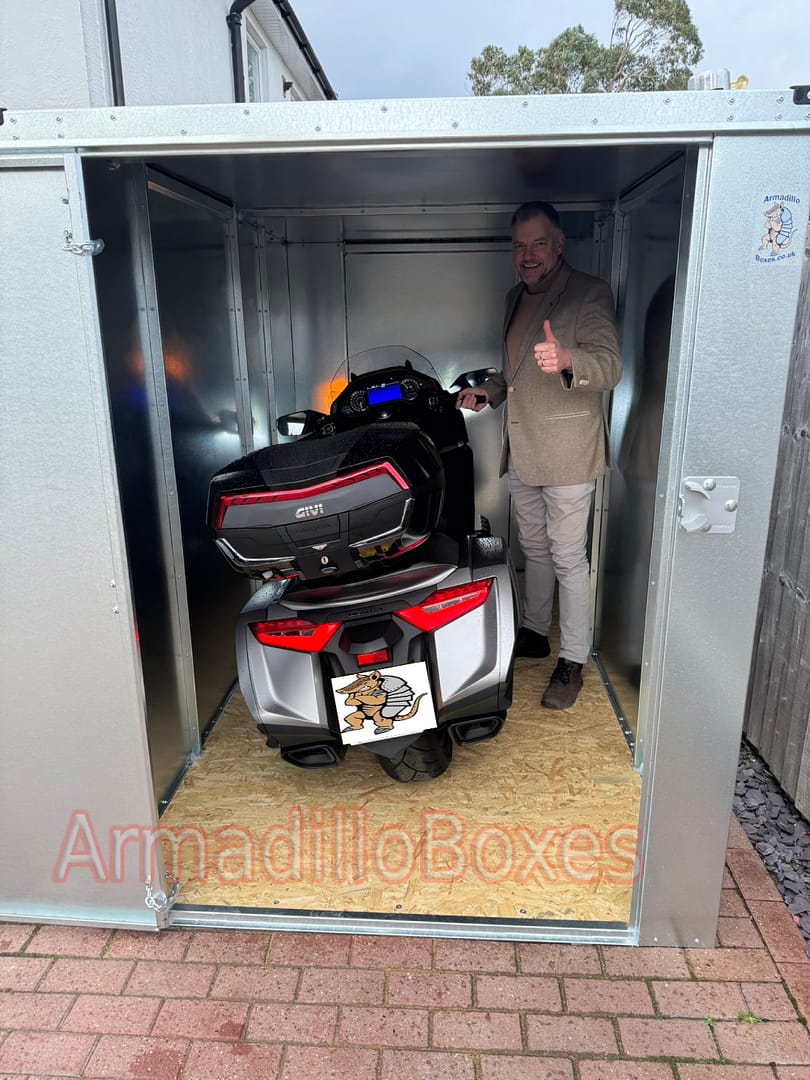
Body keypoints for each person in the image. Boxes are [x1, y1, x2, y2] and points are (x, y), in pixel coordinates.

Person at [457, 201, 622, 710]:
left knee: (570, 557)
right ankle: (534, 630)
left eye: (538, 244)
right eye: (519, 245)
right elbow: (515, 376)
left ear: (559, 244)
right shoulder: (513, 298)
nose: (528, 255)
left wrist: (569, 358)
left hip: (570, 452)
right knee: (534, 548)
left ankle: (572, 659)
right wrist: (489, 392)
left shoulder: (589, 292)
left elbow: (610, 365)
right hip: (524, 450)